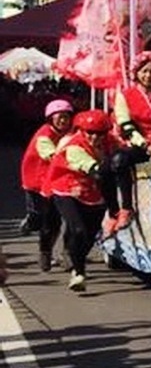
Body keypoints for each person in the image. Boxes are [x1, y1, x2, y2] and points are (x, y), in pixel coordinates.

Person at [43, 110, 116, 292]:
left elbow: (124, 151)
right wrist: (102, 168)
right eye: (89, 132)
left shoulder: (111, 142)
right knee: (78, 230)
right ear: (81, 131)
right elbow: (91, 167)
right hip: (67, 189)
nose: (94, 137)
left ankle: (76, 257)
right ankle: (78, 272)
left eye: (99, 133)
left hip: (94, 194)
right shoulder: (73, 145)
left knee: (91, 235)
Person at [111, 51, 151, 230]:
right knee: (118, 161)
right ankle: (125, 208)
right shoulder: (124, 95)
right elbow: (126, 123)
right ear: (137, 73)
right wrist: (143, 143)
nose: (148, 75)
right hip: (135, 143)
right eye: (144, 71)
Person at [21, 99, 73, 272]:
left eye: (66, 117)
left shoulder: (71, 133)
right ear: (51, 119)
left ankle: (63, 253)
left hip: (61, 180)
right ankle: (34, 229)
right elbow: (50, 154)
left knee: (59, 220)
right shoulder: (44, 134)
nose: (63, 121)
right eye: (59, 117)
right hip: (38, 182)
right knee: (42, 220)